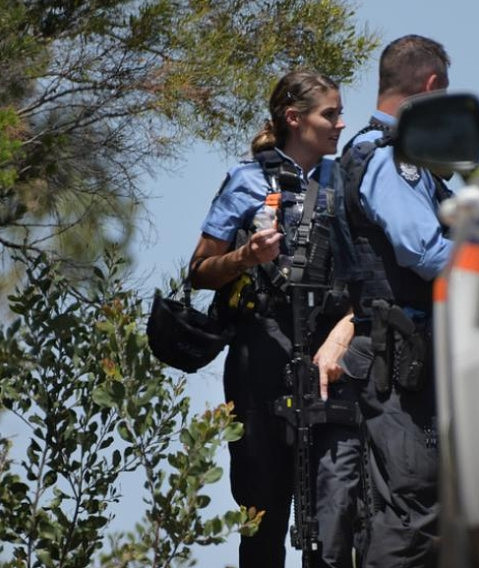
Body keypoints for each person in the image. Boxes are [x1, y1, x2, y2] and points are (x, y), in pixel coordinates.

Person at [188, 69, 361, 568]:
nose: (340, 124)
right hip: (261, 359)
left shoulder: (344, 180)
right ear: (294, 118)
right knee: (262, 510)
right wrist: (246, 258)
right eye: (330, 114)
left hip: (329, 358)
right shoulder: (246, 181)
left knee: (332, 516)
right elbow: (199, 272)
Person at [335, 34, 452, 568]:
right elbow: (424, 250)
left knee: (422, 504)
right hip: (395, 357)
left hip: (404, 354)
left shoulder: (396, 159)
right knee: (411, 506)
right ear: (429, 87)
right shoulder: (389, 159)